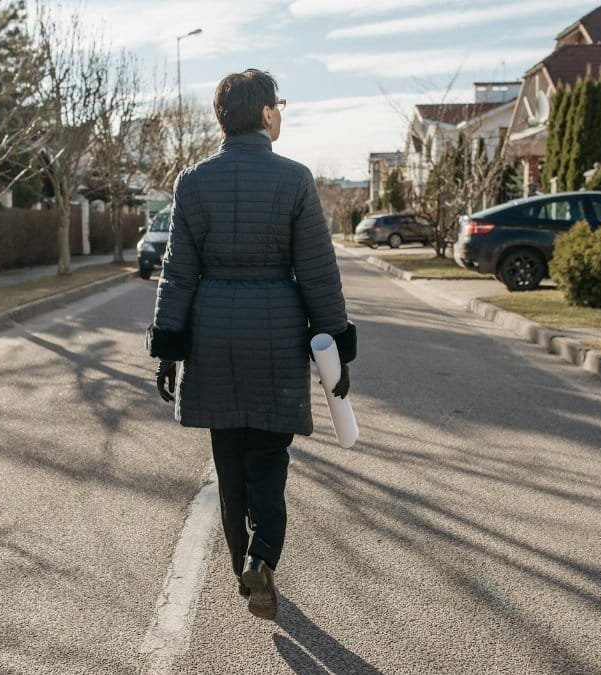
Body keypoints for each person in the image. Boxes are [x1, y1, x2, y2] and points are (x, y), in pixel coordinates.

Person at [145, 69, 355, 621]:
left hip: (212, 337)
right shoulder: (294, 180)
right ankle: (263, 556)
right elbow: (317, 272)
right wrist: (337, 346)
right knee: (268, 459)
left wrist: (168, 347)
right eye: (278, 105)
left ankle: (243, 562)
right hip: (275, 338)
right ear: (265, 114)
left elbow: (178, 273)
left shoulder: (192, 182)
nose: (280, 113)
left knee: (228, 461)